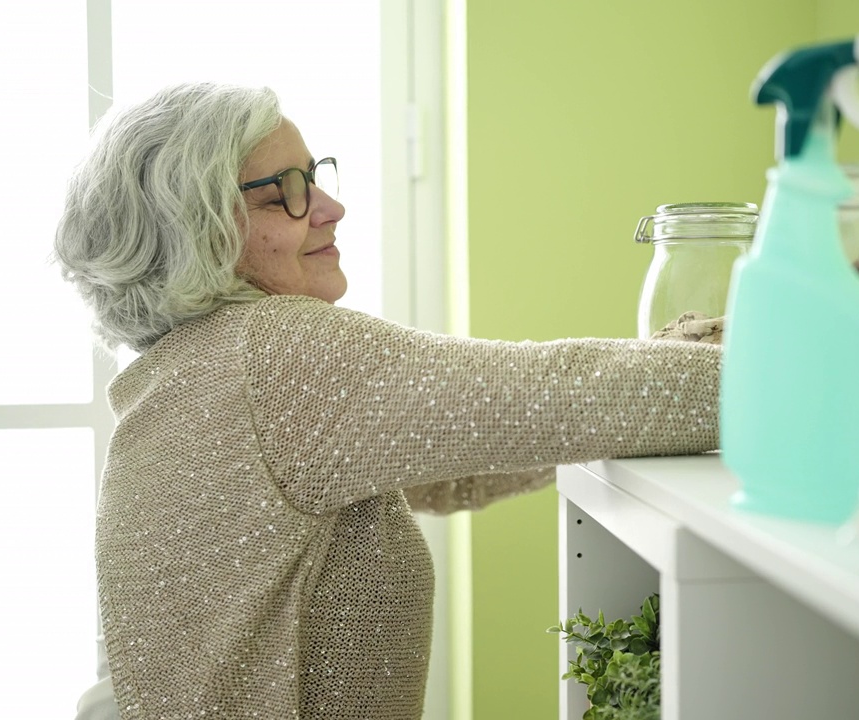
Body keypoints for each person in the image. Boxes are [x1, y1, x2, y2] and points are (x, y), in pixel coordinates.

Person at [53, 82, 721, 720]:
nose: (328, 208)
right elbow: (560, 396)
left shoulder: (181, 373)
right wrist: (769, 369)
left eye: (315, 177)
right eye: (283, 191)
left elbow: (454, 469)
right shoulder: (274, 353)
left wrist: (667, 350)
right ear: (195, 225)